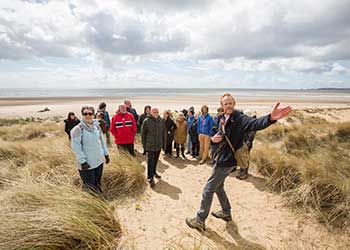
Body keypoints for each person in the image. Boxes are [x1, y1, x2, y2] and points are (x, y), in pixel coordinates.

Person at [185, 93, 292, 231]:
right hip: (220, 157)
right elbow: (218, 134)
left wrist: (270, 118)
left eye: (230, 103)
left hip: (227, 161)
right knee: (218, 187)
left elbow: (255, 124)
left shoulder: (240, 119)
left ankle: (200, 220)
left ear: (234, 104)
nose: (228, 105)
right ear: (222, 106)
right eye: (225, 104)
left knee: (208, 189)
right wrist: (213, 139)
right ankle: (226, 212)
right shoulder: (222, 118)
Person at [70, 105, 110, 193]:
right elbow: (76, 147)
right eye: (85, 113)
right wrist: (82, 161)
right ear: (82, 115)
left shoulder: (97, 127)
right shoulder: (77, 130)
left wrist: (106, 154)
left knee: (97, 183)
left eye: (90, 113)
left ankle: (100, 200)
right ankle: (92, 205)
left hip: (98, 161)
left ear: (93, 114)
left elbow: (102, 142)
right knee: (90, 187)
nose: (88, 115)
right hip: (87, 165)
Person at [141, 107, 167, 187]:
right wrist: (144, 147)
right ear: (151, 113)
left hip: (158, 145)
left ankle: (154, 172)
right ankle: (150, 177)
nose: (156, 113)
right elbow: (143, 135)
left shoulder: (161, 121)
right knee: (150, 161)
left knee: (155, 160)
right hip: (150, 145)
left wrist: (164, 145)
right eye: (154, 112)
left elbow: (164, 133)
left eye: (157, 112)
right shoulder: (146, 121)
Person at [236, 115, 257, 180]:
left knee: (246, 158)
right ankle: (241, 171)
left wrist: (246, 144)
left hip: (248, 144)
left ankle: (245, 173)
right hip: (243, 143)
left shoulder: (253, 126)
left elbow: (250, 137)